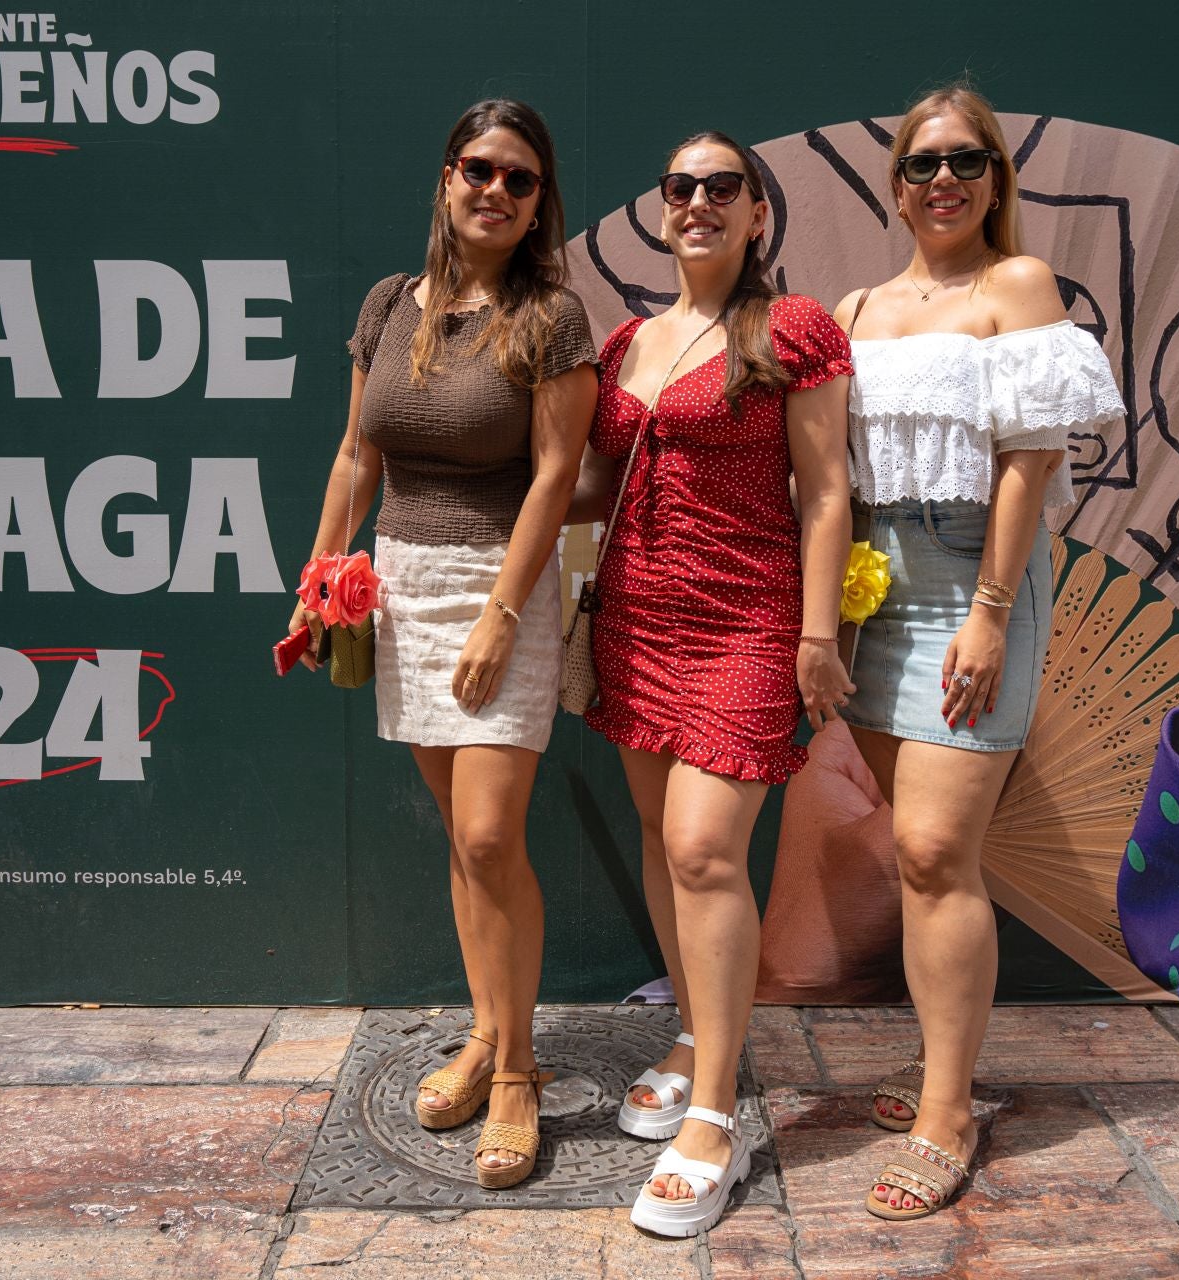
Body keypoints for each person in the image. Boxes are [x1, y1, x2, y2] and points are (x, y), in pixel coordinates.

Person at [289, 99, 598, 1190]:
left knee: (485, 835)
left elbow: (557, 478)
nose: (496, 192)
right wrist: (323, 577)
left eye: (520, 180)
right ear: (446, 177)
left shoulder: (554, 316)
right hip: (401, 585)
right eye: (480, 169)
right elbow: (354, 454)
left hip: (497, 585)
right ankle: (484, 1030)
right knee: (462, 842)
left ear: (537, 201)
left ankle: (517, 1073)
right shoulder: (387, 304)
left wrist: (506, 614)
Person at [834, 83, 1123, 1219]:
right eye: (921, 163)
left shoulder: (1016, 285)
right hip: (876, 583)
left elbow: (1029, 460)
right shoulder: (855, 305)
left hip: (973, 577)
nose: (943, 180)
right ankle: (943, 1068)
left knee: (934, 844)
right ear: (893, 181)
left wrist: (993, 605)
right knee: (923, 859)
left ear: (998, 175)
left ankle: (949, 1111)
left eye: (966, 160)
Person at [569, 131, 855, 1236]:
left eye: (719, 187)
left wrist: (818, 634)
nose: (696, 201)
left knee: (703, 846)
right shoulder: (632, 336)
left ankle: (719, 1116)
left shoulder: (794, 327)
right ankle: (693, 1032)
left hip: (748, 619)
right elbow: (600, 477)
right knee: (659, 835)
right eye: (679, 186)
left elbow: (825, 492)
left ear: (756, 215)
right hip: (637, 619)